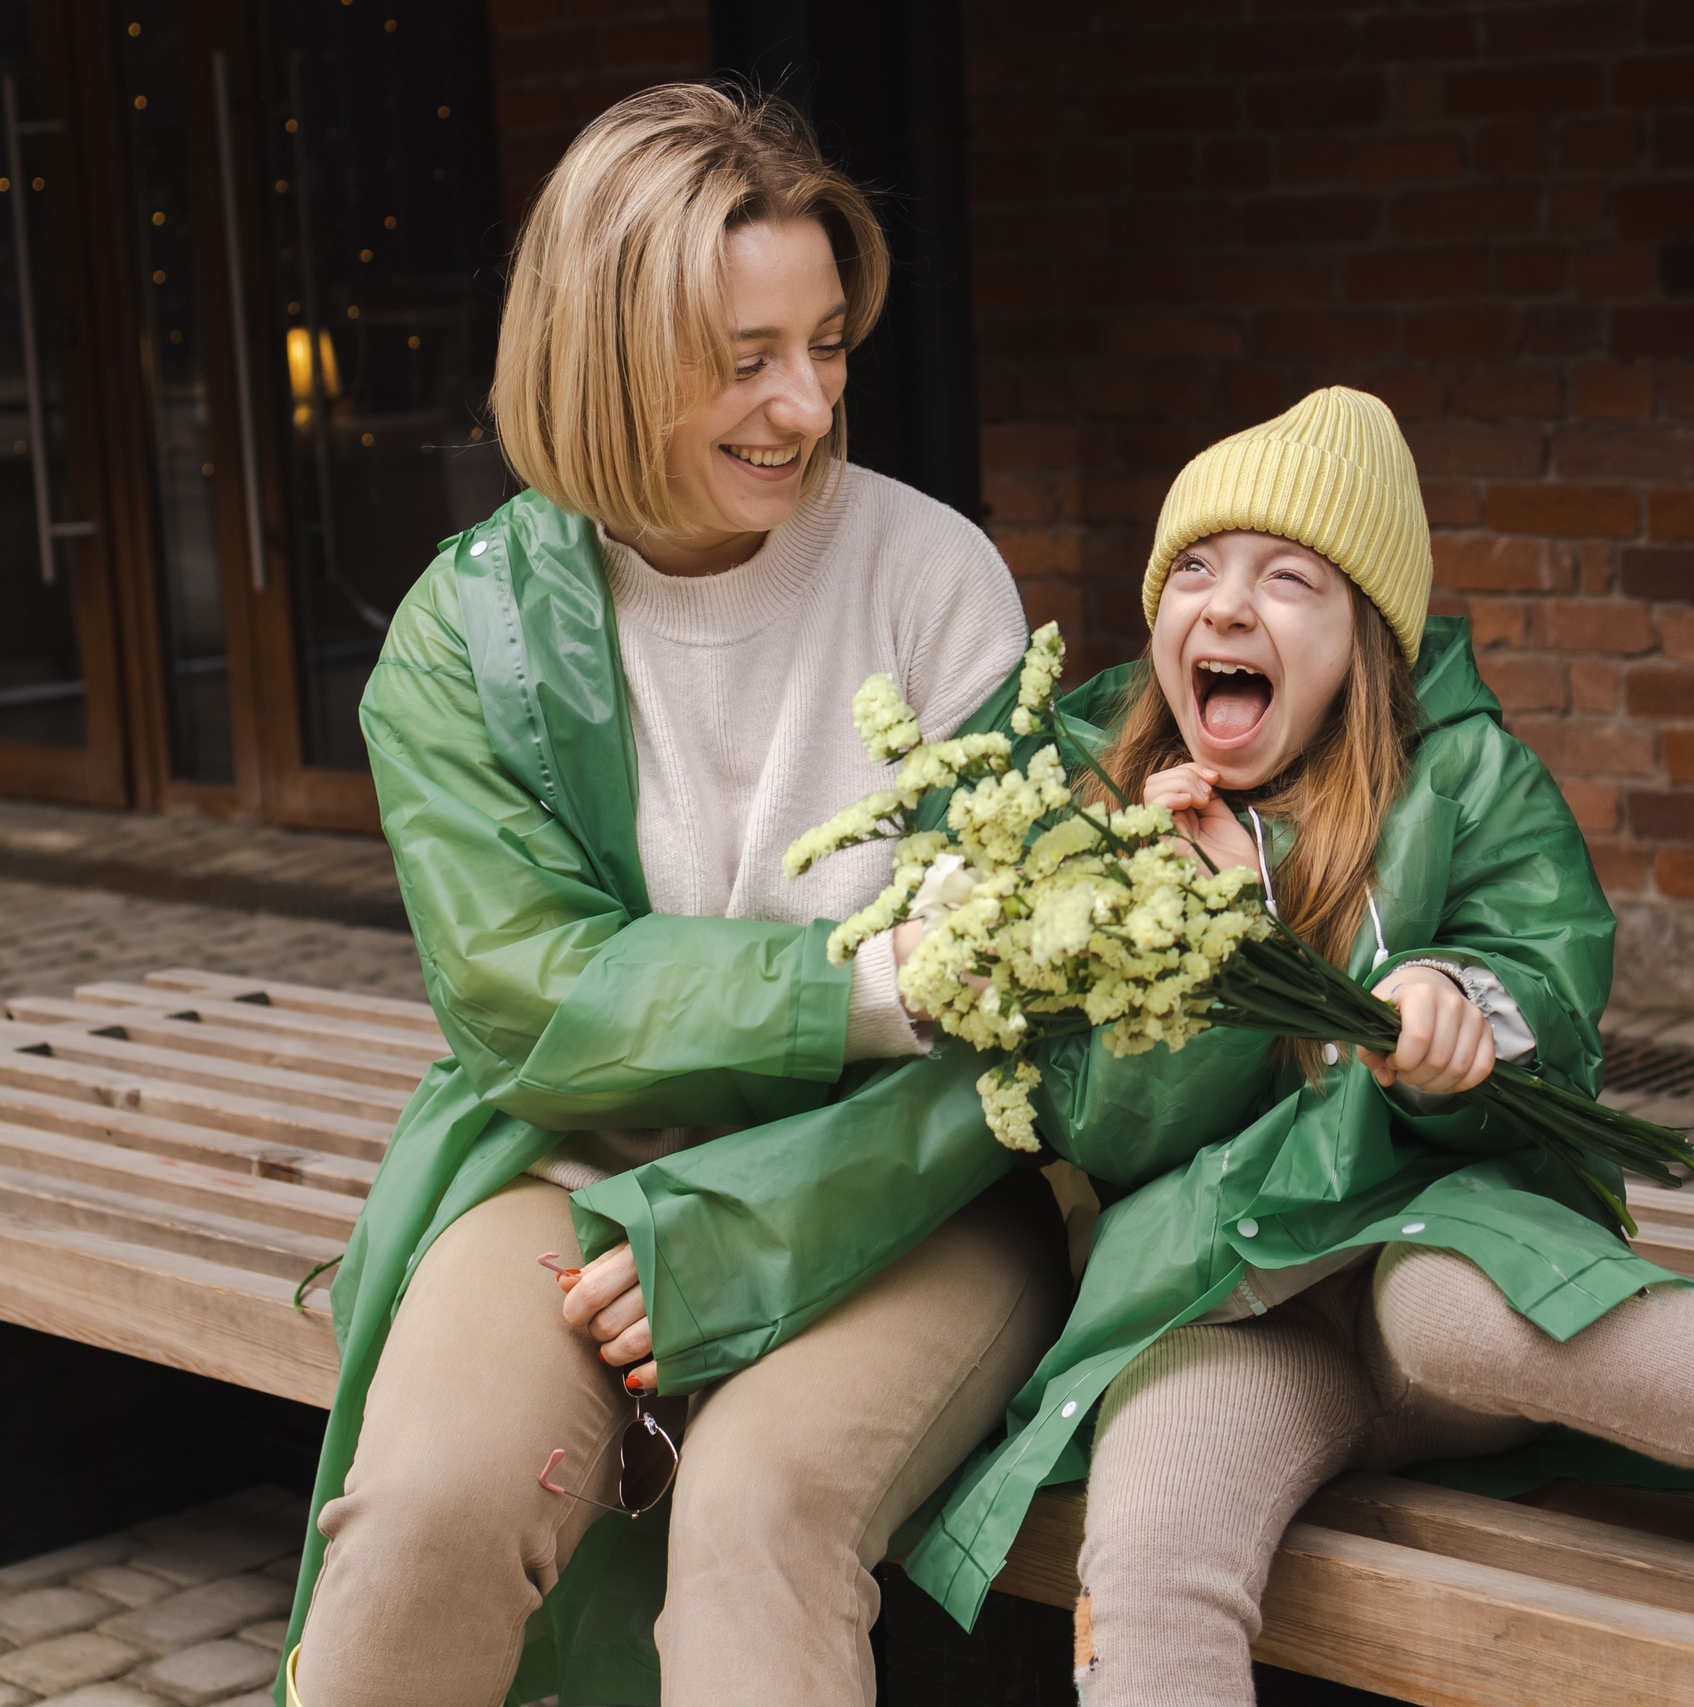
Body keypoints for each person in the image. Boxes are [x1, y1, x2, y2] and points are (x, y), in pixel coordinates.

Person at [893, 387, 1694, 1701]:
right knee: (1152, 1546)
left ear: (1366, 634)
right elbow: (1103, 1127)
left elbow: (1549, 987)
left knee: (1467, 1309)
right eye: (1194, 568)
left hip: (1428, 1240)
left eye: (1289, 578)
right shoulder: (1093, 818)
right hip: (1220, 1296)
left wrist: (1459, 1003)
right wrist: (1196, 935)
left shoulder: (1464, 782)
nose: (1229, 606)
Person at [277, 86, 1067, 1707]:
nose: (806, 404)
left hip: (903, 1183)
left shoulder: (933, 581)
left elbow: (1010, 1022)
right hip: (573, 1162)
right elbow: (525, 997)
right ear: (607, 353)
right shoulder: (465, 633)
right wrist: (858, 987)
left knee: (755, 1516)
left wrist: (733, 1229)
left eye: (826, 345)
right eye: (744, 357)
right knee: (427, 1514)